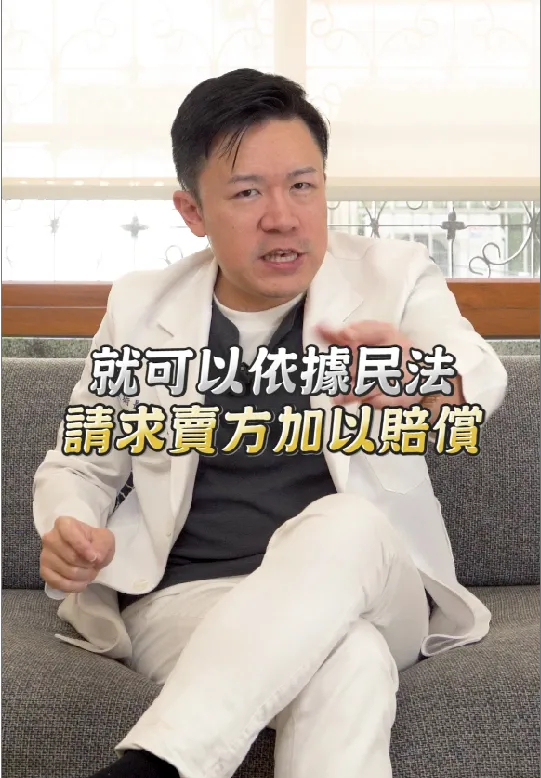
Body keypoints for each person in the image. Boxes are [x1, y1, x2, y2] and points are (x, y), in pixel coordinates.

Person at [34, 68, 507, 778]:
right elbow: (81, 462)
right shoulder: (140, 306)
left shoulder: (394, 276)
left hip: (374, 583)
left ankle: (155, 767)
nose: (283, 217)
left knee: (347, 521)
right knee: (348, 660)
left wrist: (416, 376)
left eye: (302, 185)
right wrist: (69, 525)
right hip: (191, 599)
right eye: (247, 192)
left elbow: (477, 379)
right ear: (192, 211)